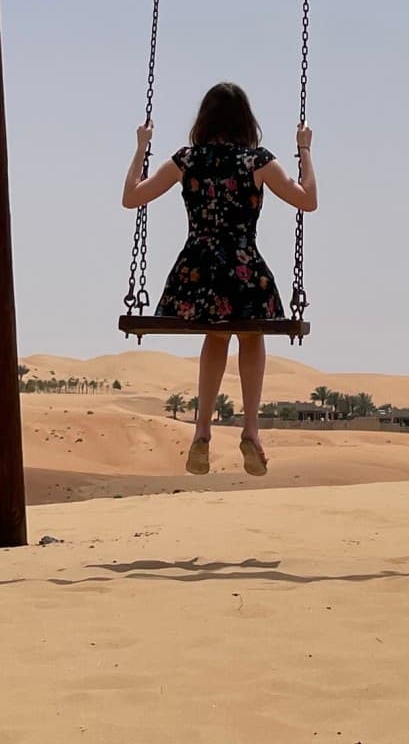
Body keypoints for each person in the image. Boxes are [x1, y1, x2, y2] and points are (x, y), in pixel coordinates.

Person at [121, 81, 317, 478]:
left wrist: (142, 147)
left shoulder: (186, 160)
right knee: (251, 333)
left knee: (216, 334)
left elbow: (132, 197)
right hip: (245, 272)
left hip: (195, 274)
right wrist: (305, 151)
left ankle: (202, 431)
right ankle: (251, 430)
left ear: (204, 120)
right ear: (246, 120)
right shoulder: (258, 161)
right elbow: (307, 200)